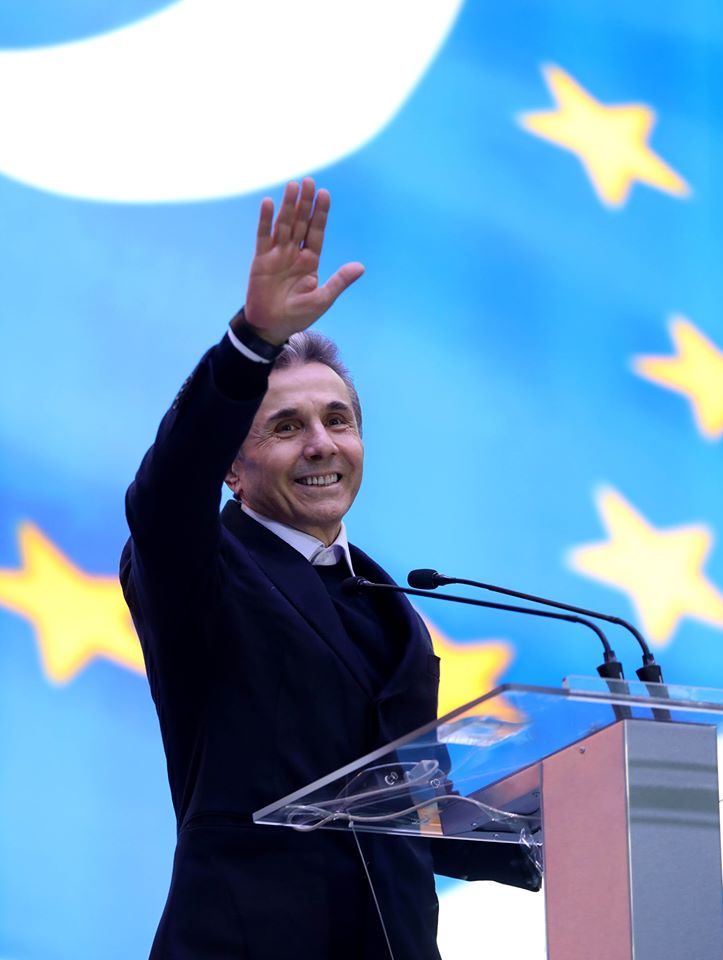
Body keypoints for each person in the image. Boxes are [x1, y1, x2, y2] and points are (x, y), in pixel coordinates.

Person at [120, 178, 539, 960]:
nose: (321, 443)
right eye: (285, 427)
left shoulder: (388, 603)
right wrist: (251, 342)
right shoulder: (202, 573)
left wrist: (545, 829)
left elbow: (405, 808)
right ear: (232, 469)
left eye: (337, 420)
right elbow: (164, 491)